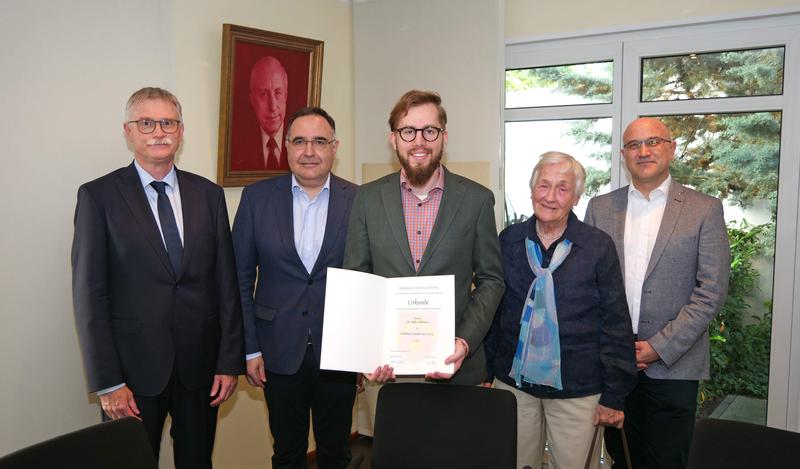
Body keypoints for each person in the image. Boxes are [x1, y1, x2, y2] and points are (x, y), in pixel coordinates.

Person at [71, 87, 244, 469]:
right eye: (146, 122)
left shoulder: (209, 195)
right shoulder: (98, 197)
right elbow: (89, 297)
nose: (158, 131)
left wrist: (229, 361)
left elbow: (226, 286)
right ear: (128, 131)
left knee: (198, 462)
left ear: (181, 131)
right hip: (132, 375)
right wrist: (108, 382)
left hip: (200, 370)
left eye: (168, 122)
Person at [585, 117, 731, 469]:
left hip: (674, 363)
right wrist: (612, 346)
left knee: (667, 460)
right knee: (622, 457)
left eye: (653, 142)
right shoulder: (600, 208)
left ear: (671, 148)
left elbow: (711, 291)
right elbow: (587, 285)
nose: (644, 151)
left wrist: (658, 347)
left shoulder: (704, 209)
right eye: (634, 145)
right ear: (624, 154)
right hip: (615, 363)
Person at [485, 152, 636, 469]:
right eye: (544, 186)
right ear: (531, 190)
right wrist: (486, 372)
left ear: (577, 197)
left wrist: (614, 395)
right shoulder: (508, 241)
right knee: (513, 463)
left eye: (562, 189)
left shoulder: (597, 246)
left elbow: (616, 323)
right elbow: (495, 311)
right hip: (514, 386)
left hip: (577, 388)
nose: (550, 197)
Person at [343, 89, 505, 386]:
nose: (419, 141)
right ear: (393, 139)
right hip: (389, 370)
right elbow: (358, 278)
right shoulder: (366, 198)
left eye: (429, 130)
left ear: (444, 136)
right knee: (396, 436)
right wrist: (365, 351)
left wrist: (464, 342)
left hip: (457, 369)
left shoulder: (477, 200)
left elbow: (491, 280)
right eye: (408, 131)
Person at [232, 107, 359, 468]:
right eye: (299, 141)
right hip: (276, 351)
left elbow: (371, 277)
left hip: (339, 351)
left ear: (335, 148)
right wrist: (250, 349)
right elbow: (240, 278)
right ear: (285, 147)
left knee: (336, 451)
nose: (309, 151)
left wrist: (364, 351)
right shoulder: (257, 199)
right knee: (287, 452)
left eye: (319, 142)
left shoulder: (360, 200)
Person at [234, 56, 290, 171]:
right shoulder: (237, 147)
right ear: (252, 100)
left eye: (278, 93)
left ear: (286, 96)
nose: (272, 107)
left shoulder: (301, 147)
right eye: (264, 94)